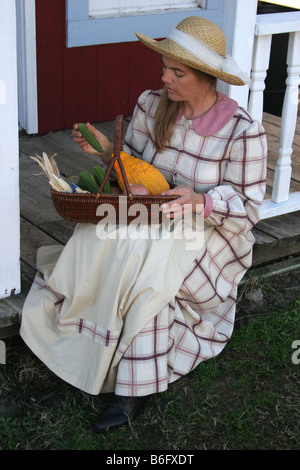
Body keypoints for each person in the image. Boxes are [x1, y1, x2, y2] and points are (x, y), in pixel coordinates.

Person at [20, 16, 267, 433]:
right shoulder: (151, 104)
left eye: (177, 71)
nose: (165, 77)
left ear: (208, 78)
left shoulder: (242, 132)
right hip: (148, 210)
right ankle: (84, 344)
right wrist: (105, 152)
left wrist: (202, 200)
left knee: (149, 270)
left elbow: (248, 207)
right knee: (98, 236)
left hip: (206, 227)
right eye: (164, 67)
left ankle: (136, 386)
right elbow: (132, 163)